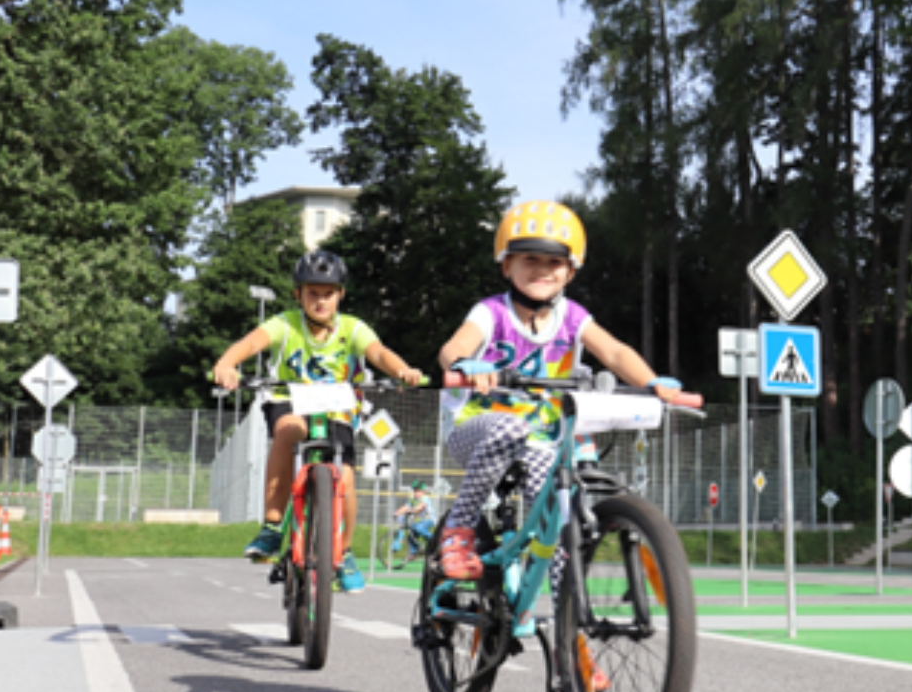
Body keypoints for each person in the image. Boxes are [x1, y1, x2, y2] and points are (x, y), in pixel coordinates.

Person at [435, 200, 682, 579]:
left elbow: (614, 351)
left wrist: (651, 381)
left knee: (556, 510)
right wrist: (464, 363)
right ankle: (459, 529)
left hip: (540, 437)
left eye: (554, 262)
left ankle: (565, 609)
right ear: (506, 265)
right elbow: (455, 346)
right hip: (477, 431)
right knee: (511, 427)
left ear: (570, 272)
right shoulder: (491, 312)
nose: (542, 270)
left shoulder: (573, 317)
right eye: (530, 259)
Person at [212, 250, 425, 593]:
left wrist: (401, 370)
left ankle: (343, 552)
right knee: (289, 431)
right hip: (290, 400)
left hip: (337, 407)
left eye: (328, 293)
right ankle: (271, 527)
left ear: (341, 294)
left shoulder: (353, 328)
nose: (321, 300)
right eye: (312, 292)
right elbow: (249, 343)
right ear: (298, 294)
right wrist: (226, 364)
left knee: (347, 477)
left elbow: (379, 352)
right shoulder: (284, 324)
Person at [391, 481, 437, 555]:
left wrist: (411, 510)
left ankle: (434, 539)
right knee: (411, 536)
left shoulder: (425, 498)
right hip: (419, 521)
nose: (416, 493)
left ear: (423, 492)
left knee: (418, 528)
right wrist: (396, 513)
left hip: (429, 519)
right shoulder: (412, 500)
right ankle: (414, 553)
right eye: (415, 491)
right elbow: (405, 507)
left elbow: (420, 507)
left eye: (418, 491)